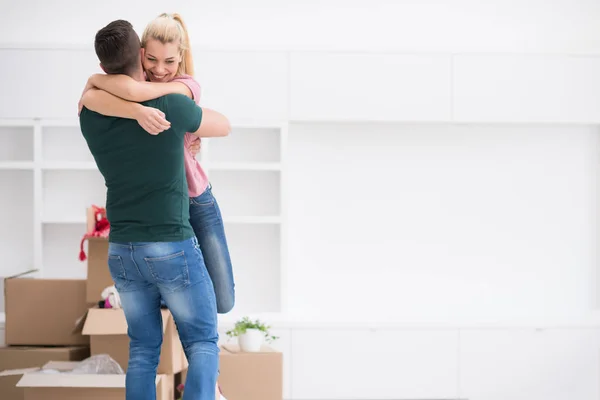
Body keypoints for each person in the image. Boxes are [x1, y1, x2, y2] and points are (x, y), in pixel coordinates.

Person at [79, 19, 230, 400]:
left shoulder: (89, 113)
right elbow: (223, 125)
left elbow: (95, 91)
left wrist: (122, 99)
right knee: (201, 341)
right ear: (141, 58)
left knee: (143, 350)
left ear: (103, 67)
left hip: (122, 249)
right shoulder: (172, 105)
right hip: (171, 243)